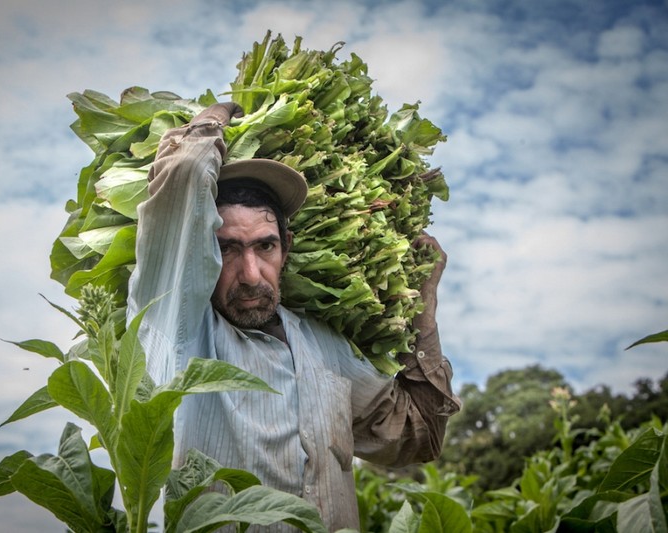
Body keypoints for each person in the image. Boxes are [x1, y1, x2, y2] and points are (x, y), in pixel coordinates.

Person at [126, 103, 461, 530]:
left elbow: (419, 437)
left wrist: (424, 307)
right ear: (202, 253)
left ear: (285, 246)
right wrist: (208, 125)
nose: (250, 275)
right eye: (227, 248)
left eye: (264, 247)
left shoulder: (326, 348)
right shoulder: (180, 325)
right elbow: (180, 192)